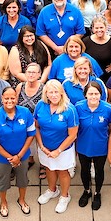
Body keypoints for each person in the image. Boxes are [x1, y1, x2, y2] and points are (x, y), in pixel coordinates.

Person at [0, 84, 36, 217]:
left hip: (23, 157)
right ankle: (3, 202)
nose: (9, 101)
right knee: (3, 182)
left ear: (16, 98)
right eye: (6, 98)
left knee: (23, 180)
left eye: (12, 98)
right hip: (3, 159)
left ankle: (22, 200)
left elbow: (31, 135)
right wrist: (11, 157)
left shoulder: (25, 113)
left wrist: (19, 156)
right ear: (2, 98)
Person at [34, 80, 79, 213]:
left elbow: (73, 135)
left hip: (63, 150)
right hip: (45, 148)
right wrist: (41, 146)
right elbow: (36, 126)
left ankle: (65, 196)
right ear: (46, 93)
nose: (53, 95)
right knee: (49, 168)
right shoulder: (40, 105)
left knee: (63, 172)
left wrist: (58, 151)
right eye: (50, 92)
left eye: (56, 92)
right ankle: (52, 190)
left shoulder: (70, 109)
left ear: (61, 93)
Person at [73, 80, 111, 210]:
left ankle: (97, 192)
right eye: (90, 94)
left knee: (99, 170)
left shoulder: (107, 109)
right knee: (84, 170)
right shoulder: (78, 107)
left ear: (100, 94)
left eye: (96, 93)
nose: (93, 97)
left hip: (100, 147)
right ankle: (87, 190)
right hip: (83, 146)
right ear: (85, 95)